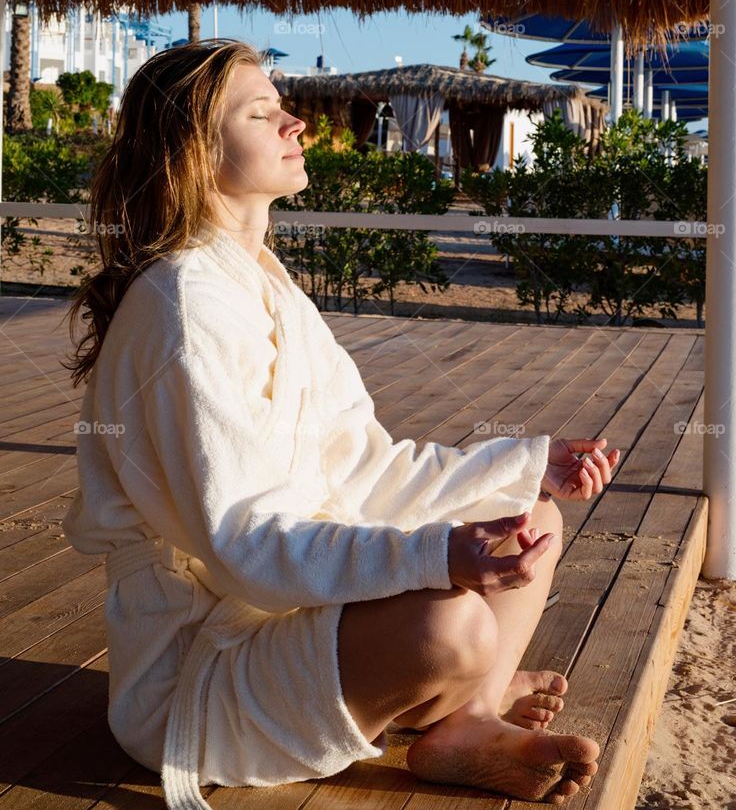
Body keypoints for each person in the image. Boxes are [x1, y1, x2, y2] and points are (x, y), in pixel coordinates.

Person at [61, 40, 620, 810]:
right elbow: (243, 546)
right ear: (194, 152)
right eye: (262, 112)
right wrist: (435, 556)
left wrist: (525, 465)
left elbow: (365, 467)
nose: (295, 123)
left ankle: (467, 716)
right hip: (199, 675)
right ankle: (458, 689)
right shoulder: (184, 306)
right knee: (451, 628)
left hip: (293, 611)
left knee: (530, 517)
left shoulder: (267, 288)